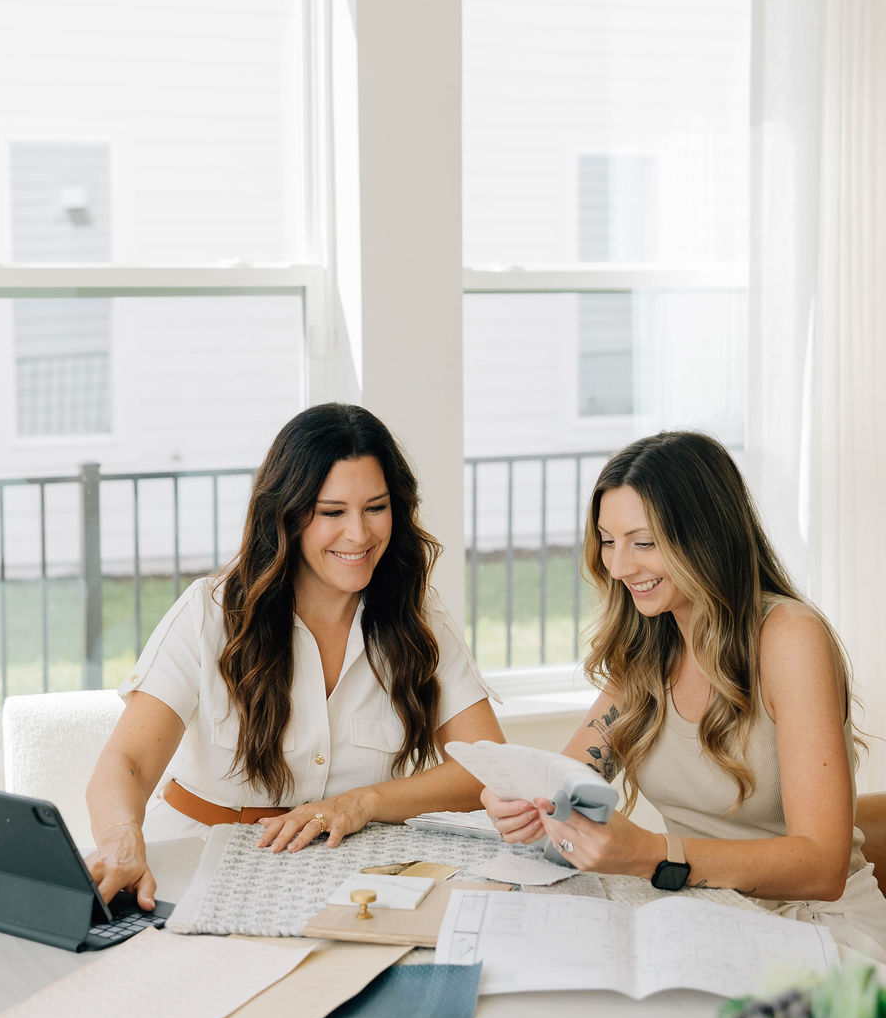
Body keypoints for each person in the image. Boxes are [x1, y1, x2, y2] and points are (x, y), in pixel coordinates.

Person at [485, 430, 886, 958]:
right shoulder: (650, 642)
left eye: (644, 542)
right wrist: (528, 802)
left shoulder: (789, 637)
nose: (620, 566)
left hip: (815, 925)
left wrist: (654, 854)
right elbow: (571, 777)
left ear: (707, 537)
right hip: (705, 909)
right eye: (608, 540)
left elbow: (823, 866)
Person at [86, 403, 503, 906]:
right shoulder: (210, 612)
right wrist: (121, 836)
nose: (360, 533)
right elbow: (127, 760)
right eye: (332, 512)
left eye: (376, 507)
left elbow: (486, 767)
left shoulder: (418, 618)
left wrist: (361, 804)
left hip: (348, 871)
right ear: (286, 514)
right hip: (199, 862)